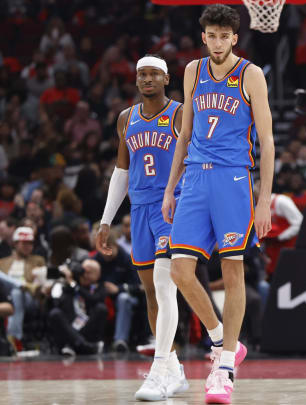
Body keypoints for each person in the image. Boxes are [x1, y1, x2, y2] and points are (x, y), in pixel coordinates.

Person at [160, 5, 274, 404]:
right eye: (212, 35)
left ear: (235, 38)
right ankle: (221, 340)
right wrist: (170, 187)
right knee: (180, 270)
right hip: (194, 178)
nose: (218, 41)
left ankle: (224, 368)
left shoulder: (251, 75)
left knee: (233, 269)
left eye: (225, 35)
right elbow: (184, 132)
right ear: (204, 36)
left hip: (233, 179)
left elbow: (268, 142)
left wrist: (264, 200)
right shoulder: (192, 71)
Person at [95, 54, 188, 401]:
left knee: (165, 288)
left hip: (171, 208)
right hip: (139, 211)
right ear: (136, 80)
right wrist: (106, 219)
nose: (147, 79)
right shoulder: (125, 119)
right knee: (151, 293)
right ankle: (175, 368)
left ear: (166, 78)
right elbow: (121, 172)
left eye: (154, 74)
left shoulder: (180, 113)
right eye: (142, 75)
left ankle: (159, 370)